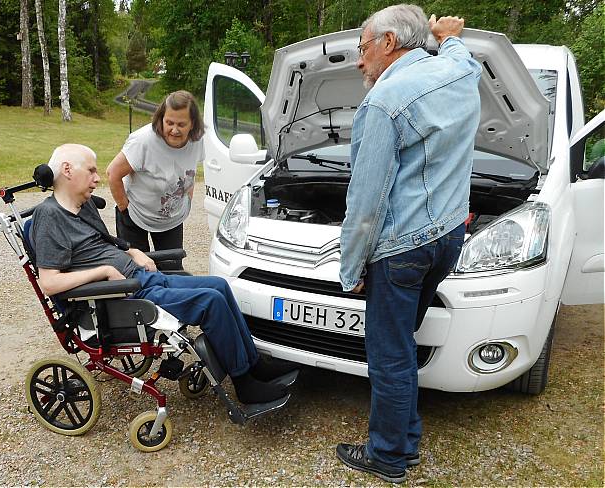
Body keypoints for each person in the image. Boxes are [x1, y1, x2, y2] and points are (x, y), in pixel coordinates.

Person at [336, 5, 482, 484]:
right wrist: (449, 35)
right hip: (447, 238)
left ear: (389, 42)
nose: (359, 61)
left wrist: (351, 268)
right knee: (401, 344)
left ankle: (388, 457)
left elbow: (366, 200)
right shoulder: (459, 70)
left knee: (390, 355)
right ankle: (408, 440)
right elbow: (461, 54)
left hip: (401, 249)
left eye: (362, 48)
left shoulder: (383, 102)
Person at [31, 143, 295, 405]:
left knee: (219, 286)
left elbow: (102, 241)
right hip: (121, 296)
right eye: (91, 170)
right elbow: (50, 283)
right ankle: (244, 384)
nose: (97, 178)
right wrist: (105, 270)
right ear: (67, 170)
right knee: (210, 302)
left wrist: (132, 250)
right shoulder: (49, 217)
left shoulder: (83, 205)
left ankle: (253, 363)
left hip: (139, 279)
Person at [106, 90, 204, 266]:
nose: (174, 130)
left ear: (193, 124)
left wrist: (187, 199)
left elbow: (190, 170)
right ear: (161, 119)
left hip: (171, 218)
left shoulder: (198, 140)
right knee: (140, 271)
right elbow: (113, 173)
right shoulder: (143, 141)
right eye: (169, 123)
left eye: (181, 124)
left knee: (172, 269)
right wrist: (124, 208)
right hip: (135, 214)